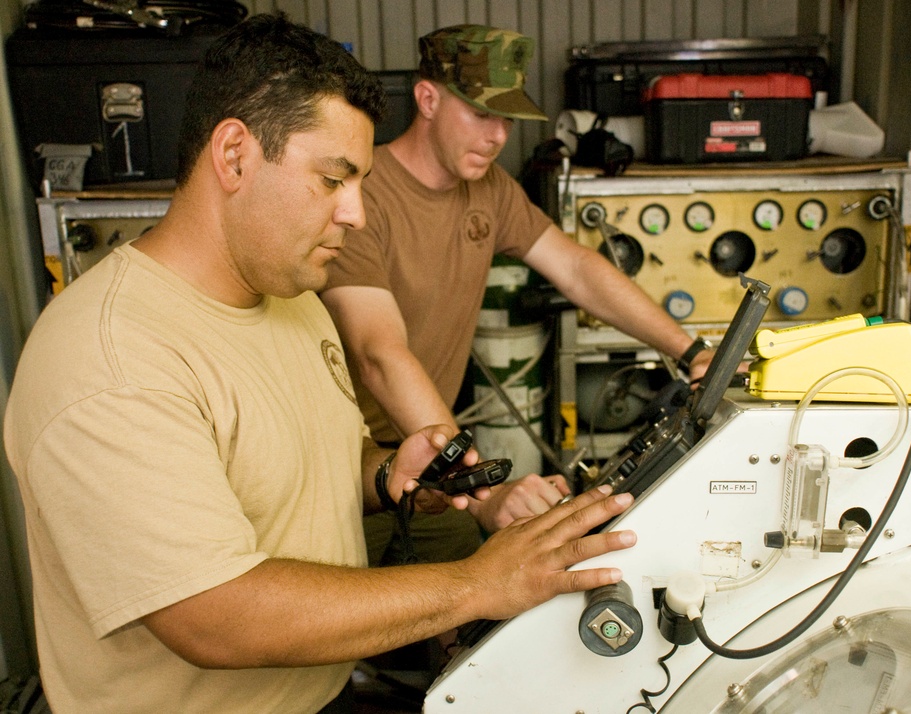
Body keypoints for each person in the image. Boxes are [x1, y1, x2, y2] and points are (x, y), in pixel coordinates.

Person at [2, 14, 637, 713]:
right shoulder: (111, 357)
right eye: (333, 179)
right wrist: (479, 583)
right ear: (235, 154)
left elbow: (305, 456)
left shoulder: (292, 299)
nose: (357, 213)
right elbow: (213, 617)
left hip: (321, 692)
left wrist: (387, 476)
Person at [320, 24, 719, 562]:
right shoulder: (363, 196)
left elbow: (578, 270)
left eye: (507, 117)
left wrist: (692, 352)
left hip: (433, 475)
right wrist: (480, 492)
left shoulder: (489, 190)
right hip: (349, 474)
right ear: (427, 98)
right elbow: (378, 355)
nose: (499, 135)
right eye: (482, 114)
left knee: (467, 626)